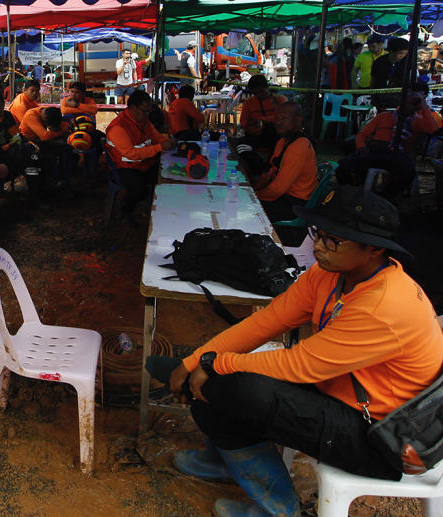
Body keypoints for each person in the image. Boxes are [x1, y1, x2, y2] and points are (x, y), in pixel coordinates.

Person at [165, 185, 442, 516]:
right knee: (205, 379)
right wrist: (195, 360)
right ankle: (223, 461)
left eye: (332, 240)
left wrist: (214, 363)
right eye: (318, 234)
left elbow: (301, 366)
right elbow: (266, 322)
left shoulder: (384, 304)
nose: (318, 247)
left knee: (232, 386)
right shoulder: (329, 274)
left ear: (372, 249)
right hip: (340, 392)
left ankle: (278, 509)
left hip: (384, 435)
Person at [239, 102, 318, 244]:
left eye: (284, 118)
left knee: (246, 210)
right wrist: (254, 188)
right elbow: (270, 171)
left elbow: (277, 190)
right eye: (276, 118)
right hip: (284, 196)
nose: (278, 122)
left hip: (295, 204)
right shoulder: (283, 142)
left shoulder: (299, 147)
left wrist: (255, 197)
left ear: (298, 120)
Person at [337, 91, 440, 199]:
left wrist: (424, 106)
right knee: (342, 166)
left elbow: (434, 129)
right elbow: (362, 134)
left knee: (408, 172)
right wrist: (361, 146)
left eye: (413, 104)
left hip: (396, 154)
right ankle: (349, 193)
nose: (409, 106)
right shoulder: (384, 116)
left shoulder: (416, 121)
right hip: (375, 151)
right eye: (407, 102)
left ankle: (385, 197)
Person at [105, 90, 175, 217]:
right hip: (125, 167)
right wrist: (159, 147)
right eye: (145, 111)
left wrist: (166, 142)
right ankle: (125, 211)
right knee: (139, 190)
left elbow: (155, 136)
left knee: (167, 175)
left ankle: (160, 210)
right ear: (132, 108)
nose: (148, 114)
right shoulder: (118, 127)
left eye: (149, 110)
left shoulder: (143, 120)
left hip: (143, 163)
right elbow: (131, 154)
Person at [239, 74, 288, 152]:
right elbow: (243, 122)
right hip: (255, 135)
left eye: (261, 92)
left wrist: (261, 120)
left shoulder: (281, 100)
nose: (259, 95)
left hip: (276, 134)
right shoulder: (248, 103)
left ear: (267, 88)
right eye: (255, 93)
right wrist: (252, 128)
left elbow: (284, 119)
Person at [371, 37, 410, 109]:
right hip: (380, 99)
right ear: (391, 51)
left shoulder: (407, 63)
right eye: (400, 53)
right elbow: (373, 79)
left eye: (405, 53)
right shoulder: (379, 62)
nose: (403, 56)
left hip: (399, 99)